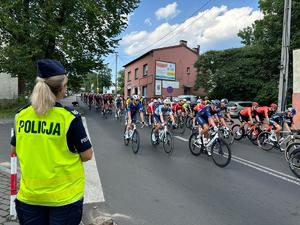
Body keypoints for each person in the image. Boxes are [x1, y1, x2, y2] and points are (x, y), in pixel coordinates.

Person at [10, 59, 93, 225]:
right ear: (61, 88)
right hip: (65, 200)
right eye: (66, 85)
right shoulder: (69, 117)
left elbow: (14, 150)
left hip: (30, 198)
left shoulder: (21, 116)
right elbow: (87, 155)